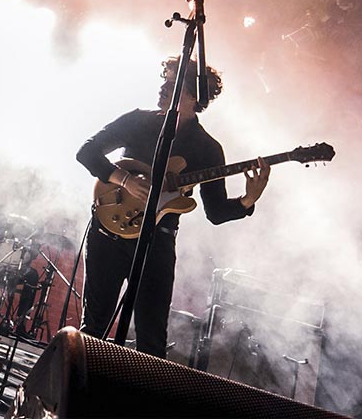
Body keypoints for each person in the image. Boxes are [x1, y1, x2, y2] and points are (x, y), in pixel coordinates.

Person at [75, 56, 270, 357]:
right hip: (110, 232)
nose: (163, 87)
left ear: (193, 95)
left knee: (152, 340)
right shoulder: (138, 120)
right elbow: (87, 152)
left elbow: (215, 212)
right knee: (94, 328)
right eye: (164, 80)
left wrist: (247, 200)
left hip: (158, 242)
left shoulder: (208, 148)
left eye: (172, 83)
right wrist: (124, 180)